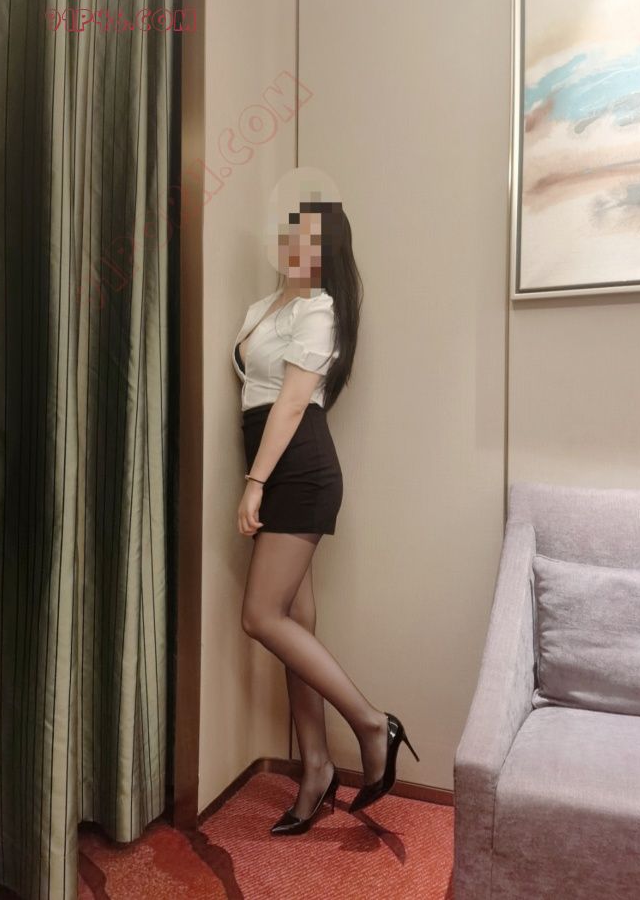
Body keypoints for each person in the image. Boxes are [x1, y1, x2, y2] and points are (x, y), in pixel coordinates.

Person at [231, 198, 419, 836]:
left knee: (260, 616)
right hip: (272, 457)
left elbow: (290, 403)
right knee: (295, 622)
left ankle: (371, 724)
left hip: (299, 466)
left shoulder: (319, 309)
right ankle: (316, 767)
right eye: (292, 233)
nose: (296, 246)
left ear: (326, 251)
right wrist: (258, 475)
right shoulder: (263, 307)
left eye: (310, 238)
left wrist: (255, 483)